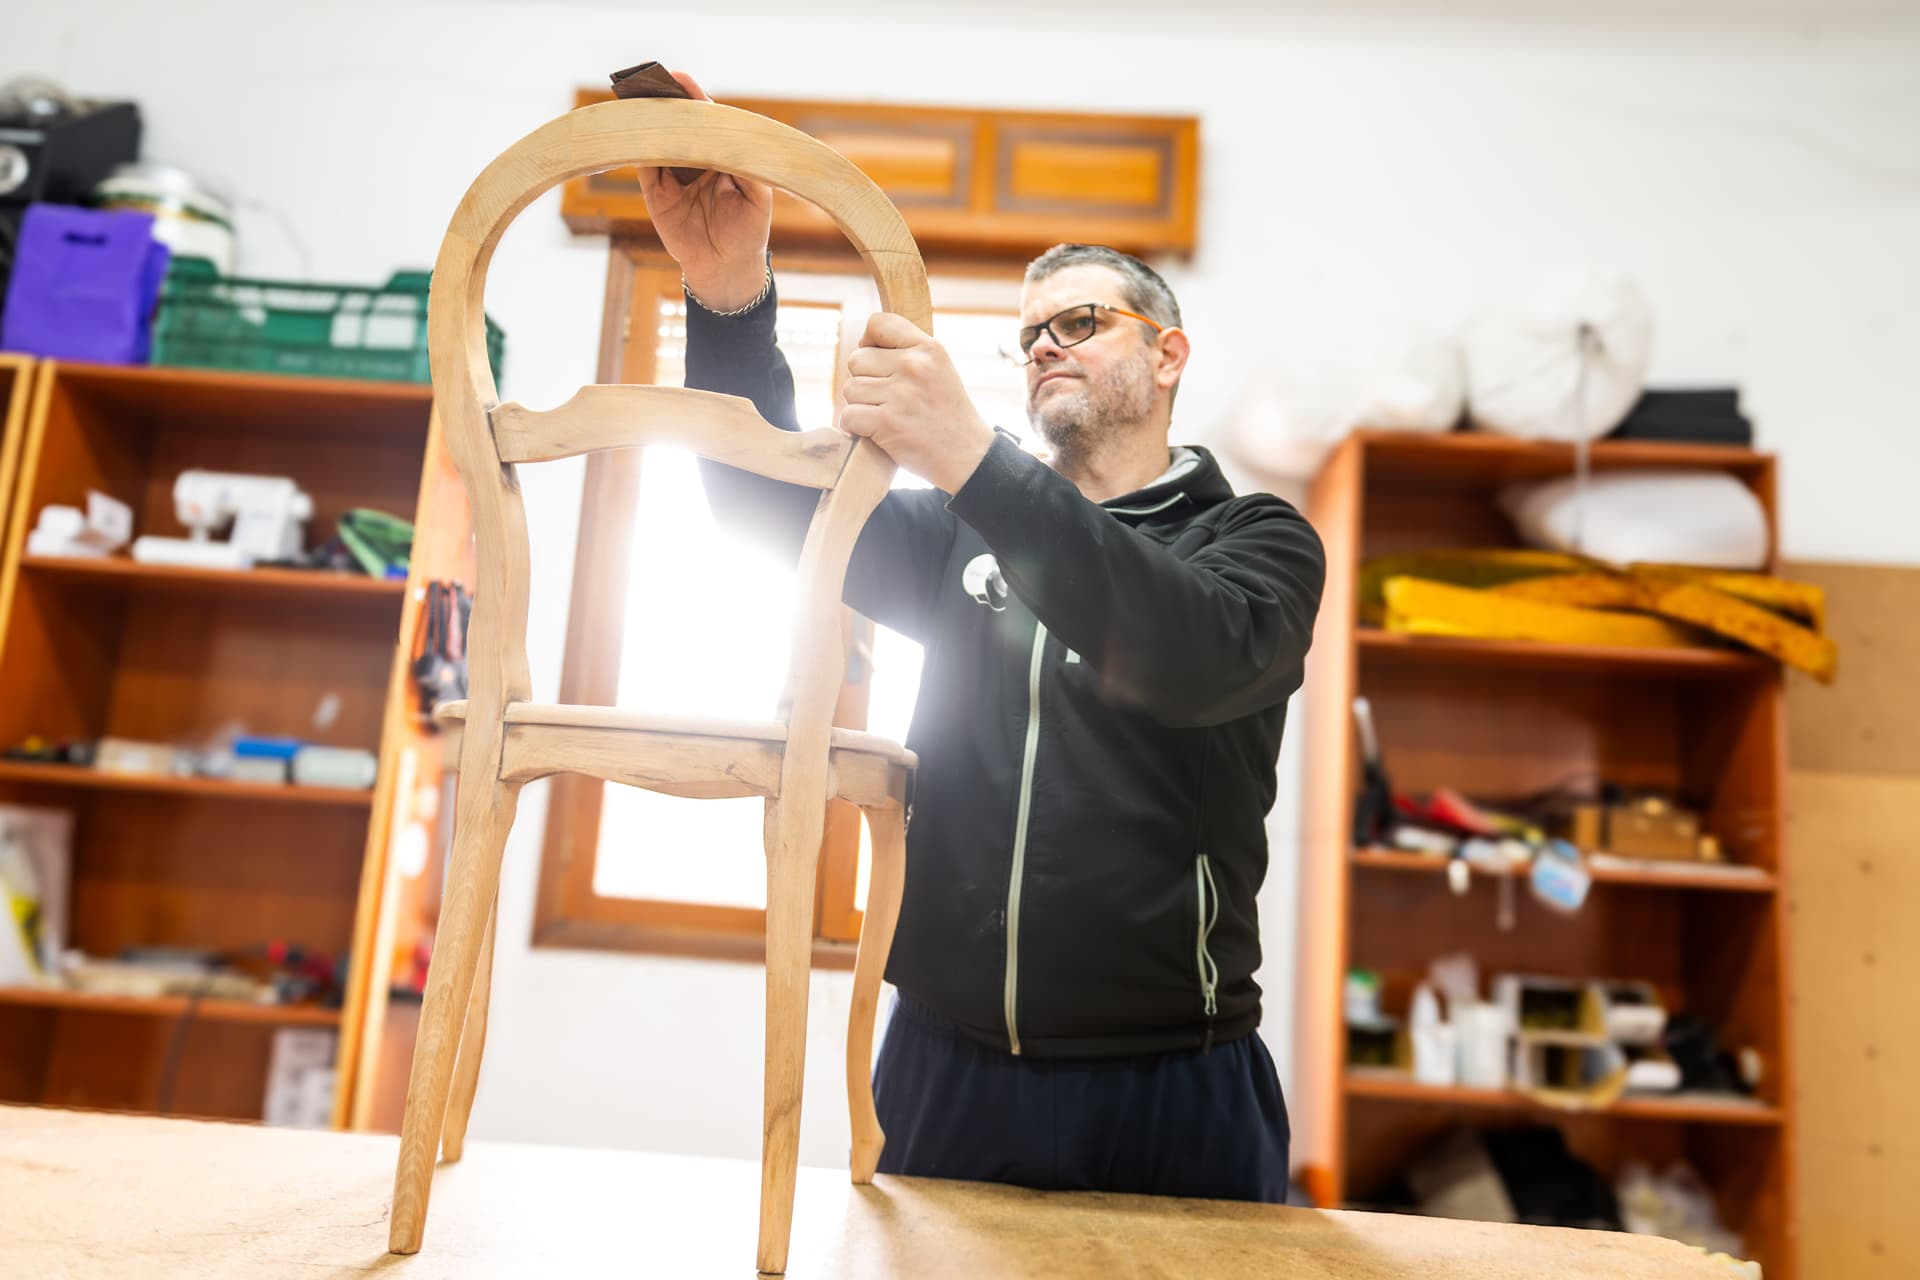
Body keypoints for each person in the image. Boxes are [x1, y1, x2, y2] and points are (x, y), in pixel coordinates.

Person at [638, 72, 1325, 1203]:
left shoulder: (1255, 540)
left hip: (1172, 1081)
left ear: (1168, 356)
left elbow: (1180, 652)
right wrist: (724, 297)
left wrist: (970, 456)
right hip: (945, 1064)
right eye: (1029, 335)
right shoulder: (964, 526)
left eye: (1082, 322)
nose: (1047, 345)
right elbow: (768, 512)